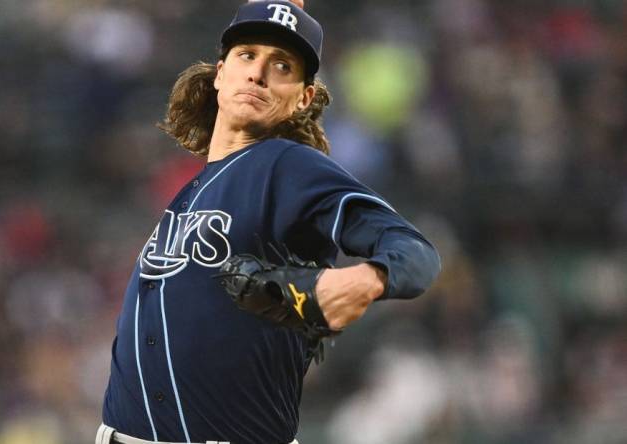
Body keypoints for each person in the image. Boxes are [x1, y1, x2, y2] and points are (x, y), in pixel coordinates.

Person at [96, 1, 441, 443]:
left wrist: (367, 279)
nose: (258, 73)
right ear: (220, 73)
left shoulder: (286, 165)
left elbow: (416, 253)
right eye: (247, 56)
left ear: (304, 97)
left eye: (282, 65)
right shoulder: (197, 187)